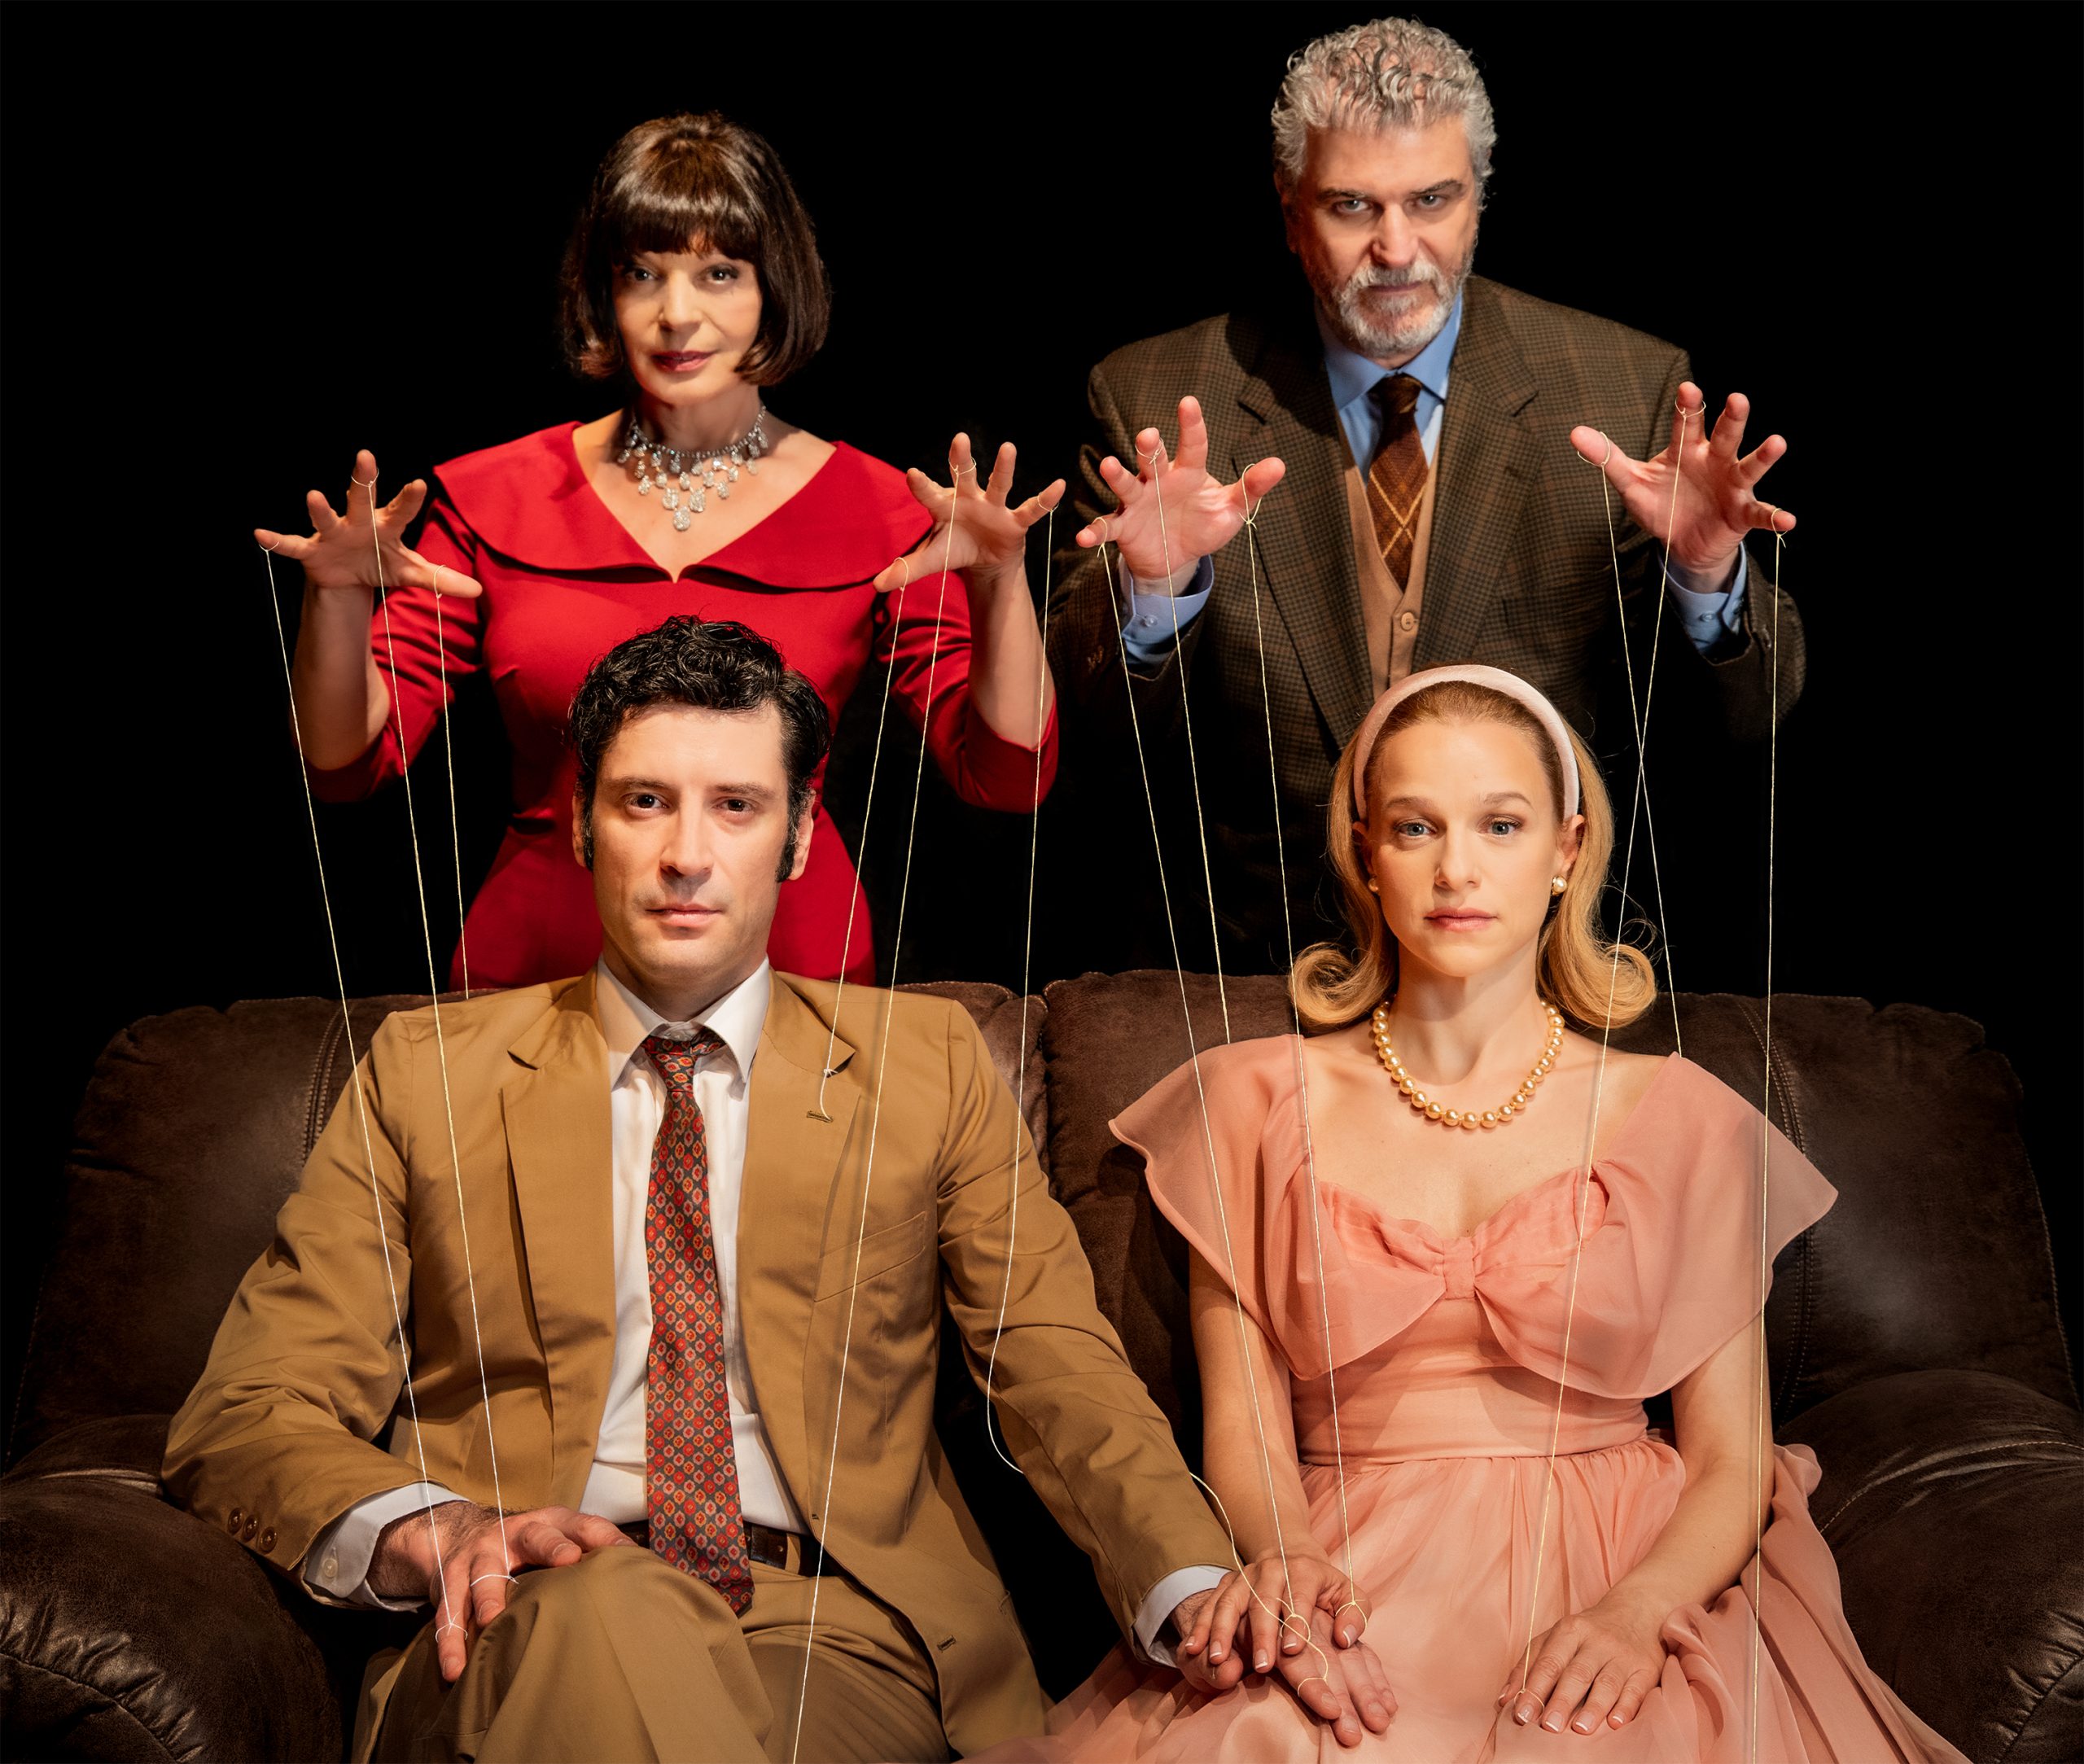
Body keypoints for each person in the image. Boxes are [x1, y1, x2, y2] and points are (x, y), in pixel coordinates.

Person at [163, 616, 1396, 1762]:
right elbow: (251, 1407)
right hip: (522, 1617)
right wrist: (434, 1530)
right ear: (582, 824)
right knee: (603, 1613)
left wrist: (1195, 1586)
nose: (686, 855)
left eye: (736, 806)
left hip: (835, 1631)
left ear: (801, 835)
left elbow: (1057, 1370)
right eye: (644, 801)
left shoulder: (925, 1068)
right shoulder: (429, 1074)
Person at [980, 664, 1963, 1762]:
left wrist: (1637, 1613)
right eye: (1416, 827)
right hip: (1349, 1563)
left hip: (1622, 1562)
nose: (1457, 868)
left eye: (1501, 824)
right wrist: (1285, 1555)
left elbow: (1733, 1459)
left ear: (1566, 849)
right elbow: (1246, 1423)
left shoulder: (1684, 1116)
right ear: (1366, 852)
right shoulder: (1250, 1102)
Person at [1047, 16, 1807, 976]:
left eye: (1432, 200)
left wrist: (1704, 575)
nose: (1396, 247)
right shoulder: (1157, 396)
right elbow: (1079, 731)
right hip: (1251, 972)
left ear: (1478, 199)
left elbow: (1744, 722)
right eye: (1351, 206)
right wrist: (1155, 591)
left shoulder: (1625, 388)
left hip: (1532, 982)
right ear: (1290, 209)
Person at [258, 111, 1061, 991]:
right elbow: (344, 766)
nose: (677, 315)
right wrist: (336, 601)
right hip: (537, 981)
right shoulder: (499, 499)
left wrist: (1000, 583)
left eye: (719, 273)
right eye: (643, 274)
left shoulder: (876, 510)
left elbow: (1006, 778)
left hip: (793, 978)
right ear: (604, 294)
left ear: (775, 288)